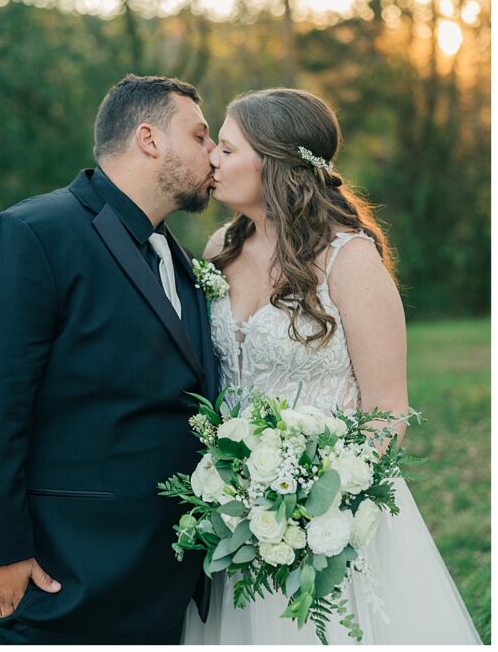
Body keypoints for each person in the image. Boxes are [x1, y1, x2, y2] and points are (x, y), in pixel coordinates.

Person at [181, 88, 481, 644]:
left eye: (225, 148)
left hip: (326, 515)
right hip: (230, 511)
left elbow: (387, 408)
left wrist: (322, 506)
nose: (211, 161)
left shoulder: (350, 260)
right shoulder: (221, 245)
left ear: (273, 163)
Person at [0, 75, 217, 644]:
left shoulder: (180, 258)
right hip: (65, 575)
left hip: (163, 582)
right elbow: (2, 401)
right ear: (149, 138)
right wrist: (1, 550)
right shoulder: (35, 231)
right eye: (200, 136)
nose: (213, 153)